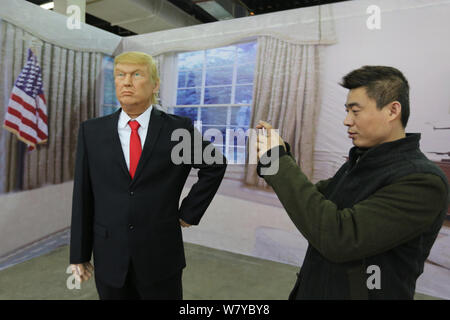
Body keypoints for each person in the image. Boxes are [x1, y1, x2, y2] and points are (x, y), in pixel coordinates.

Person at [255, 65, 449, 299]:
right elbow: (314, 203)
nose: (347, 121)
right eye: (347, 111)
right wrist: (279, 157)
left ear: (392, 110)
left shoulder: (421, 181)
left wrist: (278, 161)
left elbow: (339, 238)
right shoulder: (360, 163)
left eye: (355, 111)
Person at [69, 51, 227, 300]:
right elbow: (83, 194)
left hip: (160, 256)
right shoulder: (92, 131)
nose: (126, 82)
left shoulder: (177, 129)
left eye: (136, 74)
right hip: (110, 255)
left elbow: (215, 164)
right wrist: (78, 253)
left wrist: (189, 211)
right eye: (120, 75)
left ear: (155, 84)